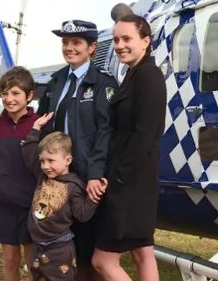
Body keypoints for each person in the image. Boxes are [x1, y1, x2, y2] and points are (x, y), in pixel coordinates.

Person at [37, 19, 118, 281]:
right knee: (58, 241)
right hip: (58, 177)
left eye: (76, 43)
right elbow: (45, 126)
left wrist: (95, 174)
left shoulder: (103, 84)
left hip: (86, 177)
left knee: (86, 246)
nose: (69, 48)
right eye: (65, 42)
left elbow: (106, 133)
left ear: (92, 47)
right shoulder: (56, 82)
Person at [91, 14, 167, 281]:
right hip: (136, 178)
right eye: (115, 40)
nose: (120, 45)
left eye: (127, 39)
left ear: (145, 41)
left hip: (129, 182)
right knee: (141, 252)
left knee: (102, 261)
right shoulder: (134, 75)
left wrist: (117, 176)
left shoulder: (149, 76)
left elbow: (146, 133)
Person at [21, 112, 107, 281]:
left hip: (59, 249)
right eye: (42, 161)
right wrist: (36, 128)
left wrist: (94, 197)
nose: (45, 166)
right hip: (38, 246)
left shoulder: (74, 186)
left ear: (67, 160)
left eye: (51, 160)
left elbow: (82, 214)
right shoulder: (42, 176)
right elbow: (28, 152)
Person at [0, 66, 40, 281]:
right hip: (5, 205)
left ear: (29, 96)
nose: (9, 99)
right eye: (5, 93)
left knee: (33, 262)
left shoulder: (39, 126)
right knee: (9, 260)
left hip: (32, 206)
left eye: (15, 93)